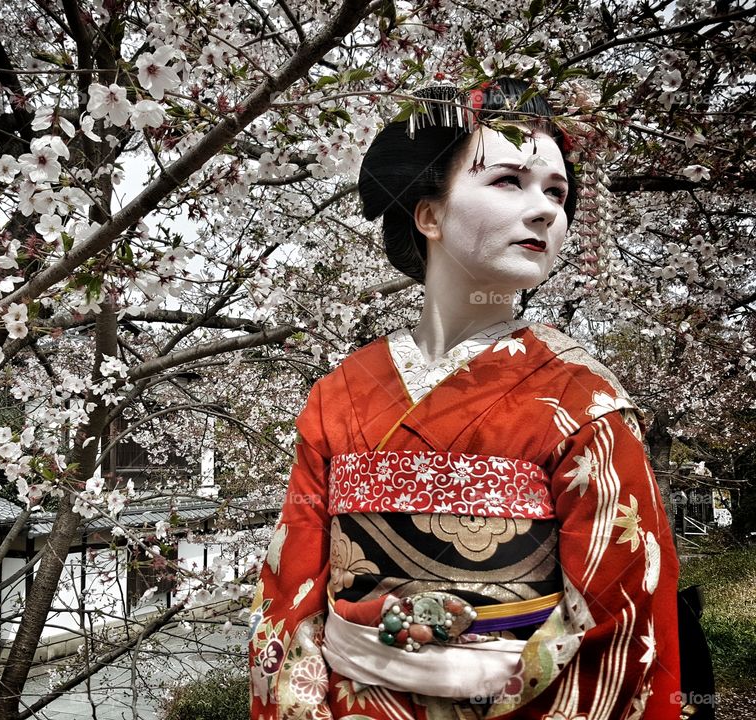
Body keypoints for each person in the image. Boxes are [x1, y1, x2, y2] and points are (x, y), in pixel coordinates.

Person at [247, 78, 681, 720]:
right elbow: (290, 597)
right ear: (429, 214)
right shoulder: (339, 393)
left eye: (556, 193)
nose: (545, 211)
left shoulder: (583, 398)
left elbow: (623, 612)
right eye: (509, 180)